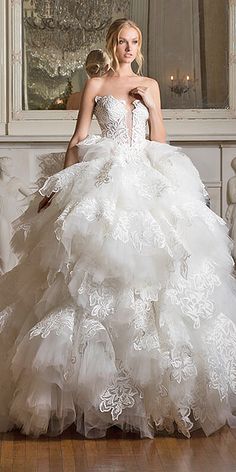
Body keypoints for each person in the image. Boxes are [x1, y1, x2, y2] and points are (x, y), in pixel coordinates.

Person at [1, 18, 236, 440]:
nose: (129, 48)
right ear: (112, 44)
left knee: (157, 275)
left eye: (135, 42)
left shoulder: (150, 85)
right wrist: (57, 185)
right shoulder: (95, 85)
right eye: (122, 42)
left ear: (139, 47)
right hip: (103, 176)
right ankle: (87, 396)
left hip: (145, 174)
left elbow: (159, 141)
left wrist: (154, 104)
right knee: (90, 275)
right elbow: (78, 139)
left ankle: (155, 398)